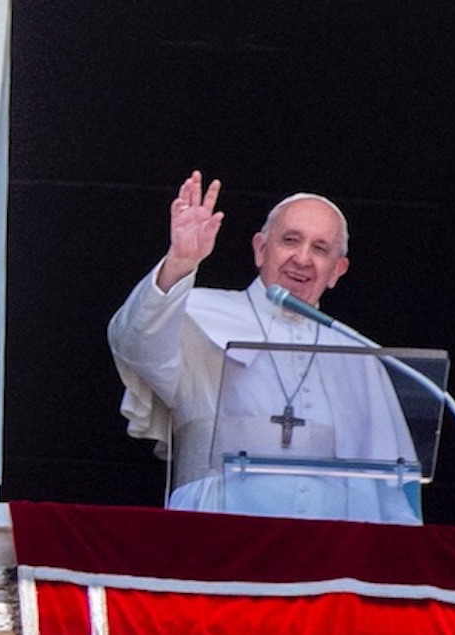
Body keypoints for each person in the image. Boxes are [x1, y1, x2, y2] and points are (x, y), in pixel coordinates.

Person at [107, 171, 421, 524]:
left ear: (337, 270)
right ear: (260, 249)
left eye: (320, 248)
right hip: (215, 537)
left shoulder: (358, 355)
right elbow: (135, 342)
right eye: (290, 240)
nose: (302, 259)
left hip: (325, 554)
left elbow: (390, 490)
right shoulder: (196, 314)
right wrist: (179, 263)